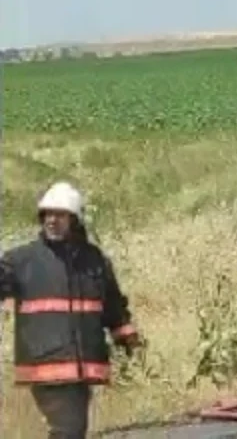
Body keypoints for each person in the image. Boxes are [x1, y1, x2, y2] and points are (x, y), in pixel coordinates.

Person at [0, 182, 142, 438]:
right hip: (46, 364)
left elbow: (111, 303)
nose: (52, 221)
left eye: (60, 215)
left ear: (75, 219)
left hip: (83, 366)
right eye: (47, 214)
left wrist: (125, 334)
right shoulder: (21, 261)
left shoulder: (94, 259)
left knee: (73, 430)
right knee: (69, 430)